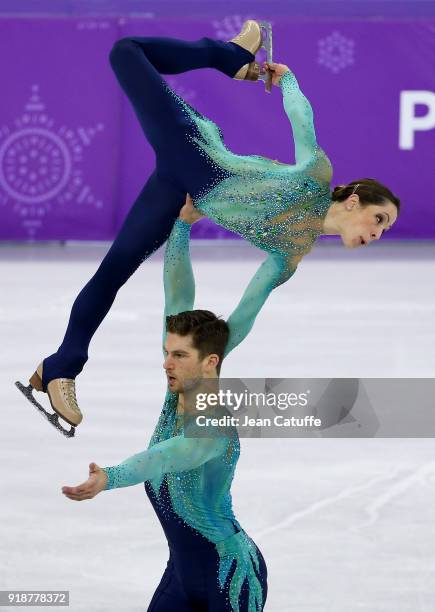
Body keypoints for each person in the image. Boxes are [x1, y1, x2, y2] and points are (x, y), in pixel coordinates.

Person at [18, 20, 400, 434]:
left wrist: (206, 365)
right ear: (354, 201)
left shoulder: (290, 254)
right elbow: (301, 121)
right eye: (379, 219)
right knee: (125, 51)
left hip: (183, 188)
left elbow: (243, 316)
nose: (377, 232)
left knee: (114, 269)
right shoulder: (316, 176)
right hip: (195, 148)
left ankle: (57, 367)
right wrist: (288, 80)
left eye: (385, 230)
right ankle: (226, 55)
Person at [61, 197, 268, 612]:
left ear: (210, 363)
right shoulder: (178, 393)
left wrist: (112, 477)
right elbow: (177, 296)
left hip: (229, 579)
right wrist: (182, 226)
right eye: (167, 351)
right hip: (181, 573)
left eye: (178, 356)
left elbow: (167, 457)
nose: (166, 363)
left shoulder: (211, 427)